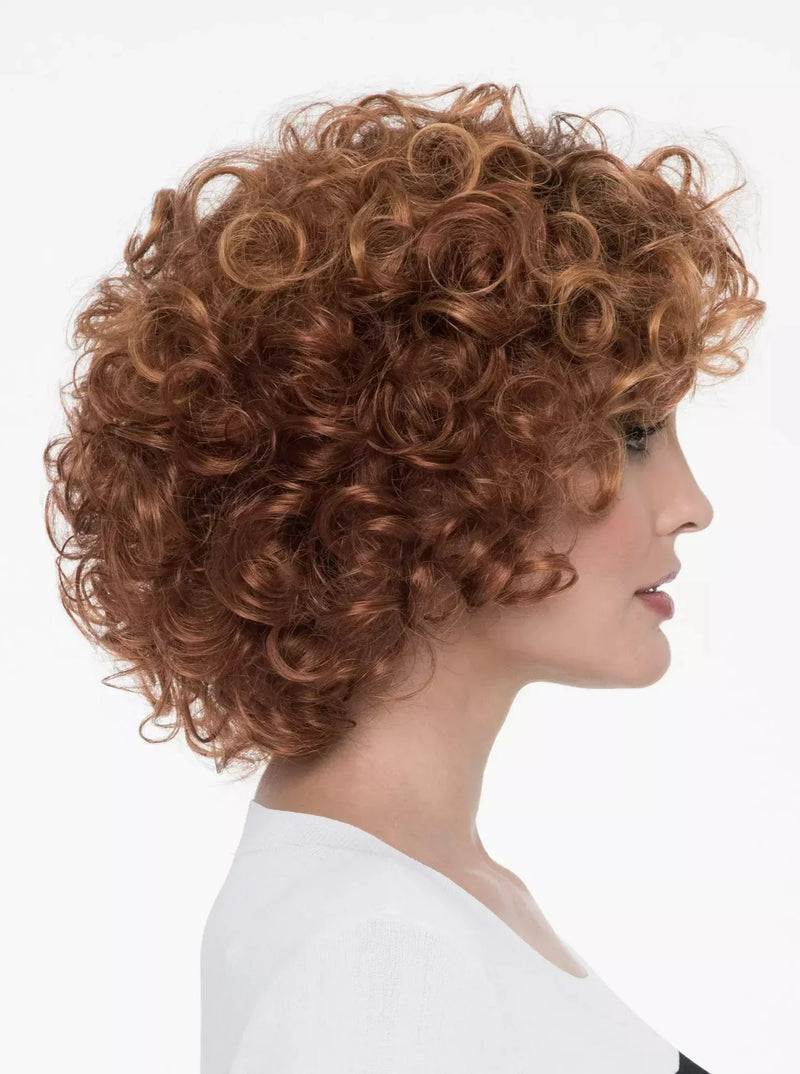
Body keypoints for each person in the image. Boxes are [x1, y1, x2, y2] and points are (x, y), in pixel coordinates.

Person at [43, 81, 766, 1073]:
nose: (690, 503)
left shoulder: (427, 901)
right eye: (632, 434)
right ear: (428, 465)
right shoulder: (382, 954)